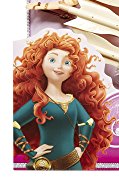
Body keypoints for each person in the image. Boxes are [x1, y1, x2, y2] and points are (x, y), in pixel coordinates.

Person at [13, 32, 113, 170]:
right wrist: (30, 152)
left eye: (67, 62)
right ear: (40, 63)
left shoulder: (73, 102)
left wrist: (81, 149)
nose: (59, 66)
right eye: (52, 60)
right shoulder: (39, 102)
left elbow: (88, 123)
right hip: (45, 166)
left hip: (73, 164)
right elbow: (13, 123)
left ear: (74, 70)